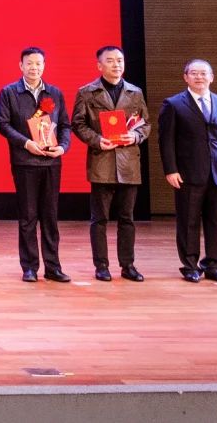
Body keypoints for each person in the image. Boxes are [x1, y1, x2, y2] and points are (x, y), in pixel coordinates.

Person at [70, 46, 151, 282]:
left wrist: (134, 136)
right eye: (110, 61)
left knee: (127, 218)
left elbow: (145, 124)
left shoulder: (135, 92)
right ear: (99, 65)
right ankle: (101, 266)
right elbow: (78, 124)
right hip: (101, 160)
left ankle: (128, 265)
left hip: (128, 162)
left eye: (119, 60)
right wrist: (97, 140)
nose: (116, 65)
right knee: (100, 219)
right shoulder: (87, 92)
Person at [158, 59, 217, 283]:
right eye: (194, 73)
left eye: (203, 73)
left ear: (211, 77)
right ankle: (190, 266)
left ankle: (214, 265)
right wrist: (170, 169)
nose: (199, 77)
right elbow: (166, 141)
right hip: (188, 173)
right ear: (185, 77)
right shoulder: (173, 104)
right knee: (188, 221)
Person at [0, 47, 72, 283]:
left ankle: (53, 267)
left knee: (50, 216)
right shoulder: (9, 92)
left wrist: (63, 147)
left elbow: (65, 125)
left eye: (38, 63)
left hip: (51, 161)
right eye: (29, 63)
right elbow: (2, 124)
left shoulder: (54, 93)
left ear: (44, 66)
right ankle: (29, 267)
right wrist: (26, 143)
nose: (34, 68)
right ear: (21, 65)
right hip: (25, 162)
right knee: (28, 217)